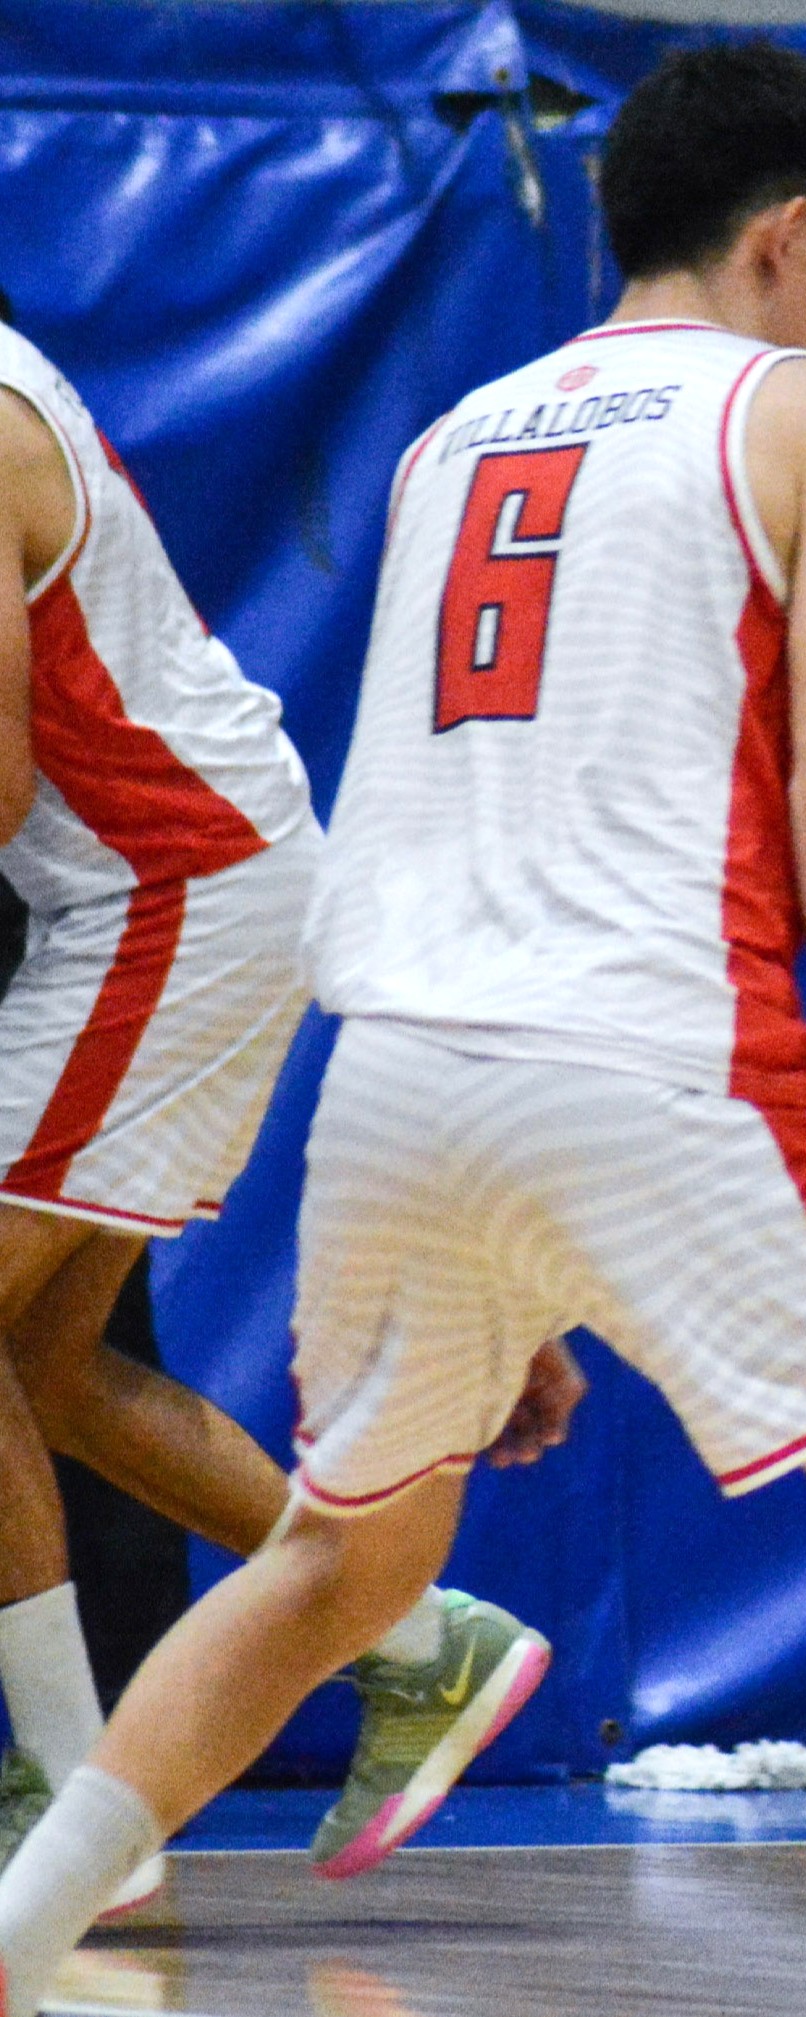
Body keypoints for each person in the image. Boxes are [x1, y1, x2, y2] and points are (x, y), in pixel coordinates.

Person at [0, 46, 806, 2017]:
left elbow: (408, 798)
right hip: (662, 1060)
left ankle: (19, 1935)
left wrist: (511, 1252)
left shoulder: (451, 437)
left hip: (394, 1076)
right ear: (784, 230)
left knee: (331, 1574)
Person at [0, 295, 549, 1907]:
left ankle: (73, 1805)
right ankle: (418, 1642)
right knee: (47, 1359)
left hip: (167, 892)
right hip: (174, 883)